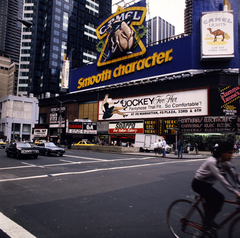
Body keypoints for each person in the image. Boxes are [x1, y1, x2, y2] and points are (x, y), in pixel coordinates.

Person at [191, 141, 240, 228]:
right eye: (229, 153)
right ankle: (207, 221)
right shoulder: (212, 162)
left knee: (213, 202)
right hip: (198, 183)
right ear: (222, 152)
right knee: (219, 198)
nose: (231, 155)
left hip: (208, 184)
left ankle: (208, 221)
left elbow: (235, 177)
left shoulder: (226, 163)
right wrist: (236, 192)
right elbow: (222, 178)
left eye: (232, 153)